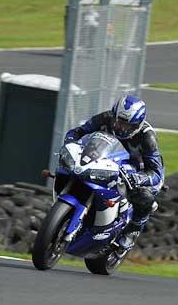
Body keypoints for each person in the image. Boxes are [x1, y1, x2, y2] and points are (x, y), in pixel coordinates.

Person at [65, 95, 165, 251]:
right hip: (107, 160)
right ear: (113, 115)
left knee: (144, 196)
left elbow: (156, 173)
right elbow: (77, 132)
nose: (121, 128)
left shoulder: (147, 137)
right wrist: (70, 144)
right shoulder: (104, 118)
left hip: (138, 169)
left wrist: (139, 178)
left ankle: (132, 230)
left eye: (128, 126)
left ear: (138, 125)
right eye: (119, 122)